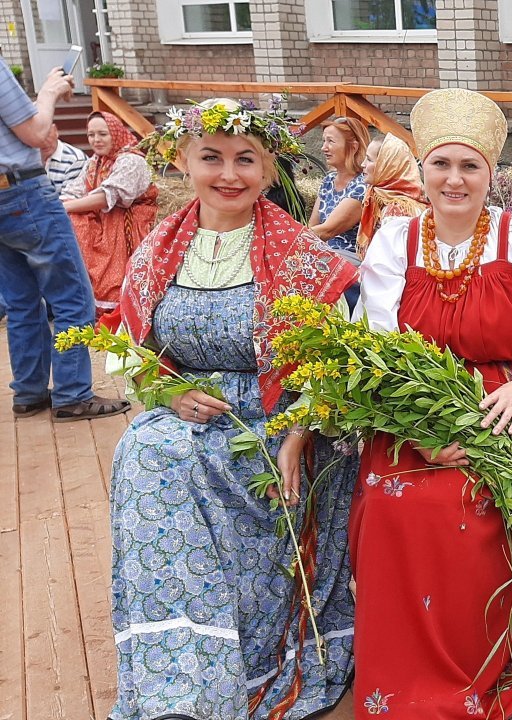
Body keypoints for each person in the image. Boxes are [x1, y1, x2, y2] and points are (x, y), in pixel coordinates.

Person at [107, 98, 360, 719]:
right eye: (211, 157)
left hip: (280, 419)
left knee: (165, 455)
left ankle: (257, 661)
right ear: (183, 163)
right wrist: (163, 392)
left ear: (270, 172)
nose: (229, 173)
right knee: (147, 451)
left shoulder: (302, 256)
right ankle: (179, 683)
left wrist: (297, 433)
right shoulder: (157, 253)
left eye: (246, 159)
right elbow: (125, 352)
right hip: (190, 415)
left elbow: (340, 363)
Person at [354, 88, 512, 718]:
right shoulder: (395, 244)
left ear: (491, 173)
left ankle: (468, 661)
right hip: (415, 408)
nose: (455, 179)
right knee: (392, 500)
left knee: (463, 503)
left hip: (510, 402)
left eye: (470, 166)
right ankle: (401, 671)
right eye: (441, 164)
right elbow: (378, 353)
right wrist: (423, 435)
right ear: (421, 170)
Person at [0, 61, 128, 420]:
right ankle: (72, 394)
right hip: (20, 190)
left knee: (20, 302)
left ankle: (29, 392)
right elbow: (38, 134)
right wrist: (50, 92)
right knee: (72, 299)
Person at [60, 111, 159, 316]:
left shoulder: (131, 160)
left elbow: (107, 197)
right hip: (105, 218)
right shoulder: (95, 162)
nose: (96, 140)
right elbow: (74, 190)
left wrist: (67, 207)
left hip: (129, 219)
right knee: (74, 220)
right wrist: (63, 204)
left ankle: (118, 307)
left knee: (79, 216)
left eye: (102, 134)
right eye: (91, 135)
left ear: (115, 133)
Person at [355, 134, 426, 261]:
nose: (362, 164)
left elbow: (387, 262)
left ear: (387, 166)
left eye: (369, 160)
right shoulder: (379, 196)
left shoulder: (397, 210)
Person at [309, 116, 368, 255]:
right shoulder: (328, 180)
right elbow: (312, 226)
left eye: (331, 141)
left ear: (353, 147)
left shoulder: (362, 185)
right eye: (324, 141)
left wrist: (287, 238)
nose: (324, 148)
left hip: (349, 260)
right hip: (324, 255)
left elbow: (327, 231)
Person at [42, 124, 87, 193]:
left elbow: (70, 198)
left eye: (47, 134)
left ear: (55, 131)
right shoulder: (27, 157)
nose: (44, 142)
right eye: (38, 137)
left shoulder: (75, 159)